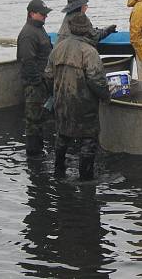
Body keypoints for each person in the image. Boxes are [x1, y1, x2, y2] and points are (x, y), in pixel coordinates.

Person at [44, 13, 111, 180]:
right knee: (88, 140)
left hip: (62, 102)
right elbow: (97, 80)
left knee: (62, 136)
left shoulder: (57, 48)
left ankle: (58, 172)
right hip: (84, 104)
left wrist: (56, 94)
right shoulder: (89, 52)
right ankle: (86, 179)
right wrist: (106, 96)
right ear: (87, 30)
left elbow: (48, 75)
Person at [17, 0, 53, 156]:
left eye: (46, 14)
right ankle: (33, 153)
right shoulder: (28, 34)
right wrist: (38, 82)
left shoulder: (39, 29)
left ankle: (38, 150)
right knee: (33, 120)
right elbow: (27, 61)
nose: (45, 16)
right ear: (32, 14)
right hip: (34, 85)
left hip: (42, 83)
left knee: (39, 119)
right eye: (42, 14)